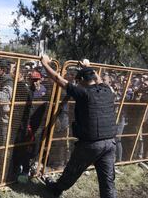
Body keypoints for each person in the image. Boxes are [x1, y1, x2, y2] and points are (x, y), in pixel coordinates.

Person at [40, 55, 117, 198]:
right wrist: (88, 68)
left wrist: (44, 63)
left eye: (78, 81)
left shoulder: (83, 93)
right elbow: (97, 79)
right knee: (108, 182)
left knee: (72, 171)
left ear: (81, 81)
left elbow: (57, 79)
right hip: (110, 143)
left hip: (91, 144)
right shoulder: (107, 90)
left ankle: (56, 189)